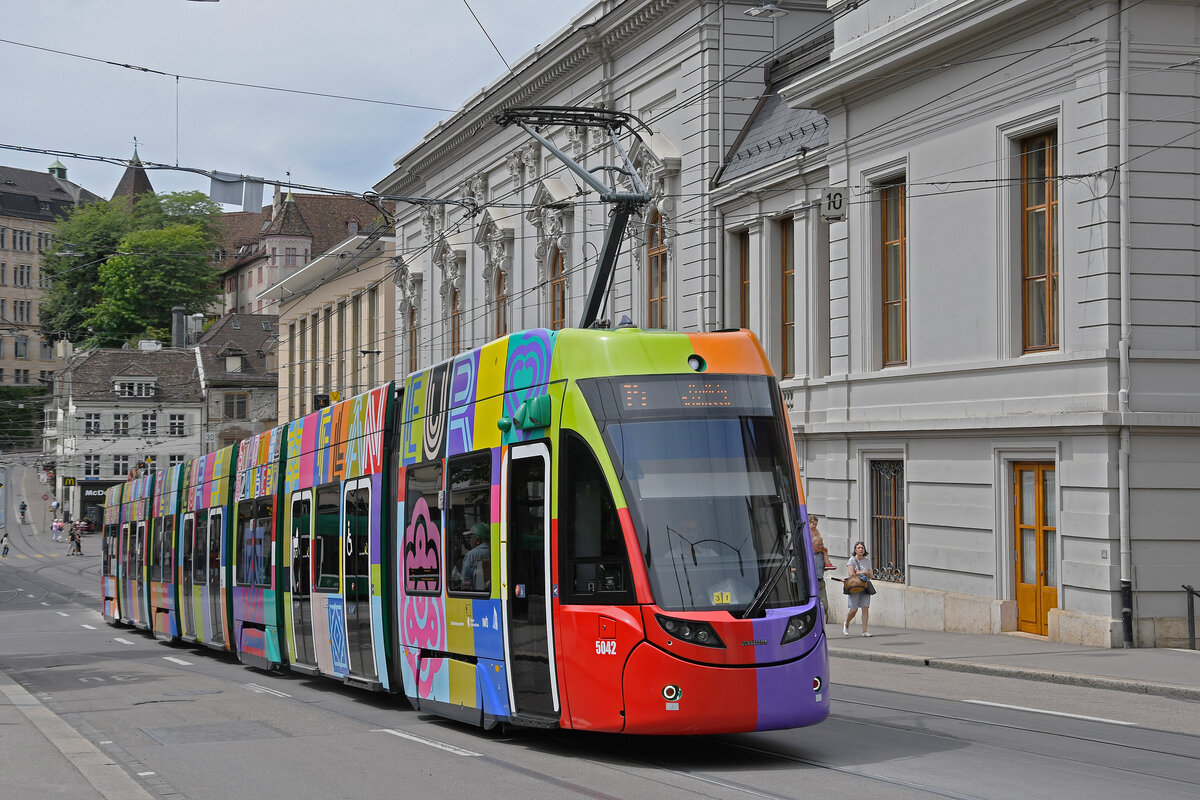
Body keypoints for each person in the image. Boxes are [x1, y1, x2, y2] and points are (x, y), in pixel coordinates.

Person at [843, 540, 873, 636]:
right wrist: (862, 572)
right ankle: (846, 623)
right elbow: (851, 573)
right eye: (858, 548)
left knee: (865, 608)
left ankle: (864, 631)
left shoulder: (867, 560)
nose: (860, 549)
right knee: (854, 610)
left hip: (865, 586)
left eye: (862, 548)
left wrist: (862, 572)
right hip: (854, 586)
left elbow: (871, 574)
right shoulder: (851, 560)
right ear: (855, 550)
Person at [809, 515, 833, 617]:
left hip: (819, 580)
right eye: (813, 524)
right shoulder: (806, 532)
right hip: (810, 582)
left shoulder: (816, 533)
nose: (821, 546)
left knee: (825, 606)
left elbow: (827, 565)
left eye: (815, 524)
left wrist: (825, 552)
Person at [459, 522, 490, 590]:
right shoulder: (496, 551)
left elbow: (465, 583)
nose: (470, 541)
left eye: (471, 538)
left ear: (478, 541)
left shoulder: (471, 555)